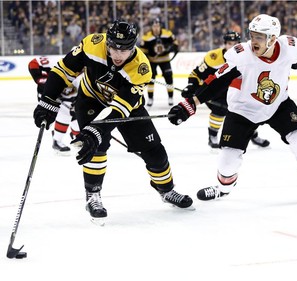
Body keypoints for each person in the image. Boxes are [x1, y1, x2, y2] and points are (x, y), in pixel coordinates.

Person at [168, 14, 297, 202]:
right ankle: (223, 188)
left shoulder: (288, 47)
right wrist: (188, 106)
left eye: (259, 37)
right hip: (243, 110)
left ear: (273, 38)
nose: (253, 41)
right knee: (228, 160)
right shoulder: (240, 54)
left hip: (278, 104)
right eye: (251, 35)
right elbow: (216, 81)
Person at [32, 20, 193, 225]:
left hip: (126, 108)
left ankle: (166, 190)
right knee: (95, 149)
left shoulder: (141, 69)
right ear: (107, 42)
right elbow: (63, 70)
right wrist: (48, 100)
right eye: (114, 47)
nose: (118, 54)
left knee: (154, 151)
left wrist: (95, 130)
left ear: (133, 46)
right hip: (90, 99)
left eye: (124, 49)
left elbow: (120, 109)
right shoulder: (92, 44)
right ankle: (93, 195)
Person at [182, 30, 270, 149]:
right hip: (216, 92)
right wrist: (191, 86)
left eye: (235, 43)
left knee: (248, 113)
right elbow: (196, 74)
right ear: (224, 44)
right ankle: (212, 136)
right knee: (220, 109)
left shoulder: (248, 57)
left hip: (238, 92)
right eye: (229, 43)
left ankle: (253, 135)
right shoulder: (213, 57)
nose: (232, 46)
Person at [28, 56, 80, 155]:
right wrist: (41, 80)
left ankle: (76, 135)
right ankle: (57, 141)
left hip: (68, 98)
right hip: (48, 95)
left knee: (77, 116)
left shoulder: (86, 73)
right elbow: (34, 62)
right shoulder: (58, 64)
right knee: (64, 114)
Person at [139, 18, 179, 107]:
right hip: (152, 61)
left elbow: (176, 44)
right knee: (150, 79)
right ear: (151, 27)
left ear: (160, 26)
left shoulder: (167, 34)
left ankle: (170, 97)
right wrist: (148, 56)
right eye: (154, 26)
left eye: (157, 26)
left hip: (165, 60)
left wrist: (170, 48)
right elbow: (142, 51)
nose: (156, 28)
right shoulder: (147, 37)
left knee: (169, 78)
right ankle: (150, 98)